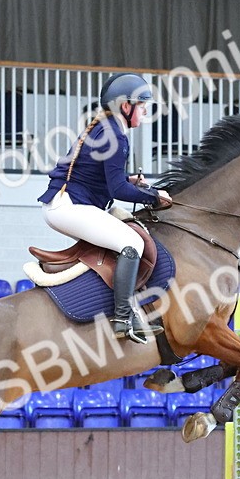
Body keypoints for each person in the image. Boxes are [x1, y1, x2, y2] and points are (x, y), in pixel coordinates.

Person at [37, 73, 173, 343]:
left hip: (72, 203)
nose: (145, 112)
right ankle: (123, 316)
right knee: (131, 244)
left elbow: (110, 179)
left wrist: (134, 182)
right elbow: (118, 191)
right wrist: (154, 196)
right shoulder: (115, 135)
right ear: (126, 106)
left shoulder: (108, 127)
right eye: (142, 105)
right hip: (69, 207)